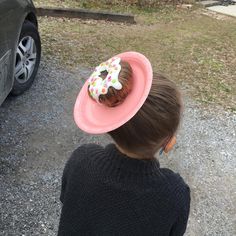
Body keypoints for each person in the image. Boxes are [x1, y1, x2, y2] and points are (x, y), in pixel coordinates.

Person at [58, 52, 190, 236]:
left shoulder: (81, 160)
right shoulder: (174, 194)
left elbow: (68, 202)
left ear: (112, 123)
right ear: (168, 140)